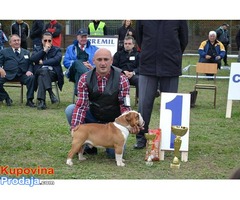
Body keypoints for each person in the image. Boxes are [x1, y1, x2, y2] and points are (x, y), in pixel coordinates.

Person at [65, 48, 138, 158]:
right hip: (94, 116)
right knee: (71, 109)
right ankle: (88, 143)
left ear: (111, 61)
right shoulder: (84, 78)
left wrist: (129, 125)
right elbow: (81, 106)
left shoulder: (122, 79)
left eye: (106, 59)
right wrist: (75, 127)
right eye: (99, 60)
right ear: (93, 61)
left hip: (114, 123)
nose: (103, 63)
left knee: (114, 154)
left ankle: (99, 143)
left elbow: (125, 106)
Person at [134, 20, 188, 149]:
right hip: (148, 66)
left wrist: (172, 53)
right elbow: (139, 38)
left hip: (170, 66)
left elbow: (183, 40)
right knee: (144, 105)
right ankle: (142, 137)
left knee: (170, 105)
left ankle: (169, 139)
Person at [30, 32, 64, 110]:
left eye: (49, 40)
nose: (47, 42)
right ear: (42, 41)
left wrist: (43, 62)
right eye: (45, 40)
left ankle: (42, 102)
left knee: (42, 76)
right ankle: (51, 93)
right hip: (39, 71)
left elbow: (57, 60)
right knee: (43, 72)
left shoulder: (57, 49)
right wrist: (44, 51)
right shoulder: (37, 49)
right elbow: (33, 59)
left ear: (52, 41)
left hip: (52, 73)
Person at [0, 34, 35, 107]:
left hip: (22, 75)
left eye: (18, 40)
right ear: (10, 43)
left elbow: (30, 64)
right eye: (14, 40)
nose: (17, 42)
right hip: (7, 74)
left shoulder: (26, 52)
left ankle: (29, 100)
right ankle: (6, 98)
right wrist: (0, 69)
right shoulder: (4, 52)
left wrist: (29, 70)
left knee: (31, 78)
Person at [63, 28, 98, 95]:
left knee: (79, 72)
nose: (84, 39)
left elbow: (98, 62)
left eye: (85, 37)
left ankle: (79, 94)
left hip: (88, 71)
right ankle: (86, 79)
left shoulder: (94, 49)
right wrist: (81, 64)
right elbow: (65, 62)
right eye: (82, 37)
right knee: (77, 63)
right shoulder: (70, 48)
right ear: (77, 37)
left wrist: (92, 66)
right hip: (73, 72)